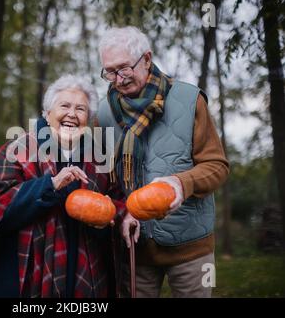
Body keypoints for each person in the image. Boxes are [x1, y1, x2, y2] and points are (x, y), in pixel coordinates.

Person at [96, 26, 230, 298]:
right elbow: (104, 178)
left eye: (124, 68)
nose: (118, 79)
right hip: (134, 247)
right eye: (109, 72)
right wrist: (122, 211)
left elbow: (217, 167)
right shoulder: (103, 112)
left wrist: (181, 183)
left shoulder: (189, 99)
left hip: (191, 248)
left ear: (146, 59)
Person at [0, 74, 131, 298]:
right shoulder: (17, 151)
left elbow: (113, 202)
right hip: (24, 270)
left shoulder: (100, 159)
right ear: (47, 114)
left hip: (85, 271)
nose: (72, 114)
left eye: (81, 109)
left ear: (89, 120)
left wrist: (124, 215)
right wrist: (51, 185)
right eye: (64, 105)